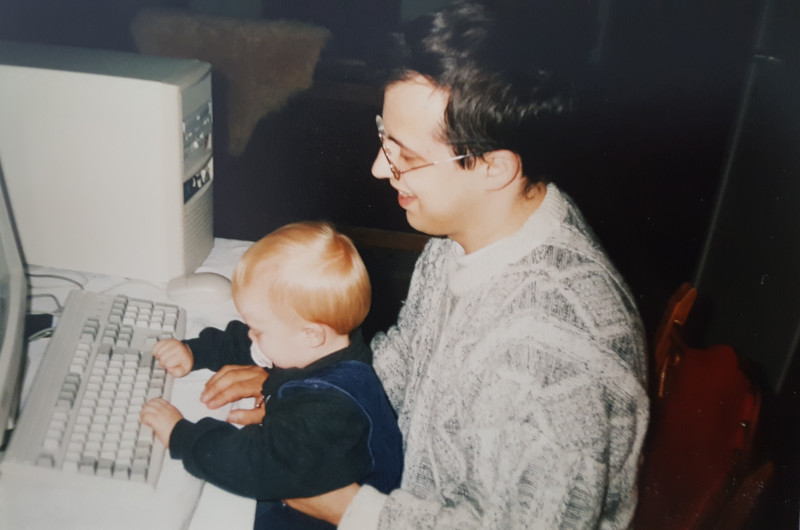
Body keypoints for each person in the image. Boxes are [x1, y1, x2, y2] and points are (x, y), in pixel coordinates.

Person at [200, 1, 650, 528]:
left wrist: (352, 509)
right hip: (403, 481)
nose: (377, 167)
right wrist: (314, 395)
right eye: (382, 136)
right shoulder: (465, 233)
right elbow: (406, 362)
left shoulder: (550, 355)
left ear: (494, 168)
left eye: (405, 155)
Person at [139, 221, 403, 530]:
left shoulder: (331, 410)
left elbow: (256, 466)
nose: (252, 334)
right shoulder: (315, 345)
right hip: (297, 475)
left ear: (312, 334)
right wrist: (195, 352)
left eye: (260, 329)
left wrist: (181, 436)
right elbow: (248, 345)